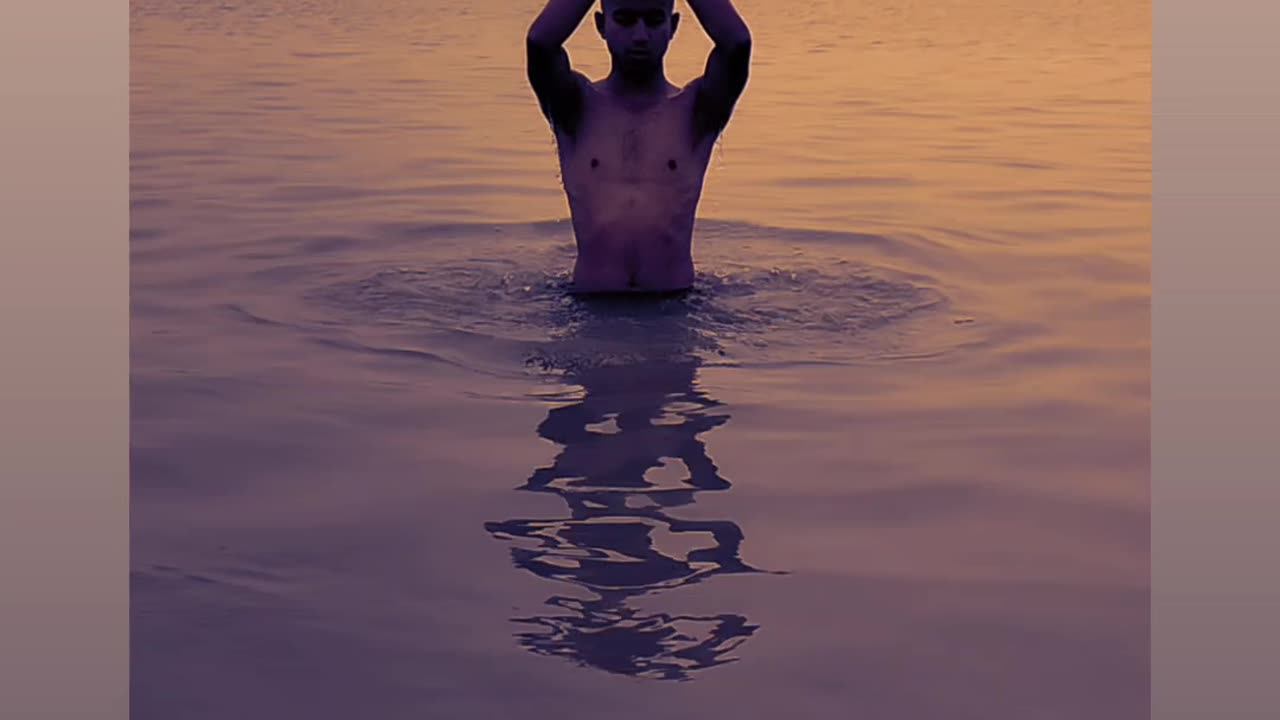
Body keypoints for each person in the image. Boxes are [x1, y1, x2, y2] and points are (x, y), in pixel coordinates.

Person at [525, 0, 752, 294]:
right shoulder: (576, 109)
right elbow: (540, 44)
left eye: (654, 21)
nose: (640, 36)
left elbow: (736, 45)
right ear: (601, 25)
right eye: (626, 19)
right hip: (590, 310)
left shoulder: (695, 112)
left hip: (675, 309)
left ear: (672, 27)